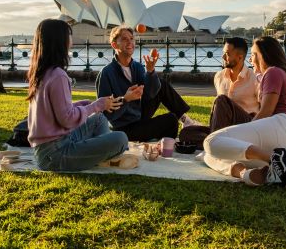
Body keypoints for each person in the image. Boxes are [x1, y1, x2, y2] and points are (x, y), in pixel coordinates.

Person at [27, 19, 129, 171]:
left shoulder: (43, 72)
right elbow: (67, 119)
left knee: (99, 119)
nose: (71, 40)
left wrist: (81, 105)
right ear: (59, 40)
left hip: (49, 147)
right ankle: (103, 153)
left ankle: (98, 153)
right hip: (55, 155)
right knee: (121, 138)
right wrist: (97, 105)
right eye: (69, 35)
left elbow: (53, 111)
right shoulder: (58, 76)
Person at [203, 36, 286, 188]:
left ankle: (273, 159)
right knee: (210, 155)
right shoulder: (274, 74)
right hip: (283, 140)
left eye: (253, 54)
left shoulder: (273, 72)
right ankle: (248, 174)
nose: (250, 59)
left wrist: (244, 129)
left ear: (263, 56)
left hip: (280, 127)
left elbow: (266, 111)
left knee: (210, 142)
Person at [96, 25, 198, 141]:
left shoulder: (137, 67)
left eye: (131, 38)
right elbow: (106, 114)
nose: (130, 42)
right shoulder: (106, 73)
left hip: (138, 115)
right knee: (171, 120)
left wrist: (150, 71)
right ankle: (156, 140)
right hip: (123, 128)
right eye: (124, 39)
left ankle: (185, 120)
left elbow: (150, 93)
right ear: (114, 45)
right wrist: (125, 99)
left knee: (161, 84)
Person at [210, 36, 260, 132]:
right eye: (223, 53)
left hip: (247, 126)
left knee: (221, 99)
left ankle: (214, 140)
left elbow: (265, 109)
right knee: (187, 133)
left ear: (240, 57)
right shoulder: (219, 76)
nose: (223, 57)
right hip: (224, 127)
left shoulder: (254, 79)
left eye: (227, 54)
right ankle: (216, 138)